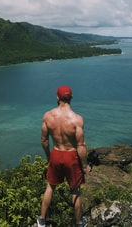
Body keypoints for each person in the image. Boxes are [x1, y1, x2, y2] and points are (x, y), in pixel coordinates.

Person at [37, 85, 90, 227]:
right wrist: (85, 166)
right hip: (71, 156)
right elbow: (81, 145)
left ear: (57, 98)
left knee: (50, 187)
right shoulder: (77, 119)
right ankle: (79, 223)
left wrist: (49, 156)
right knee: (75, 190)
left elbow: (44, 140)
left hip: (56, 153)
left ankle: (41, 220)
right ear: (71, 98)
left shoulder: (48, 116)